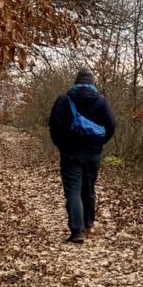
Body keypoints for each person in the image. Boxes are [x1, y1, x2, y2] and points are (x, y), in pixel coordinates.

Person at [48, 68, 116, 243]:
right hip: (93, 153)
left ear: (76, 82)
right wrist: (100, 142)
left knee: (73, 190)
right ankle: (88, 224)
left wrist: (61, 145)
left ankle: (77, 232)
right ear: (92, 83)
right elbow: (111, 125)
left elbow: (55, 126)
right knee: (89, 188)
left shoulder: (64, 99)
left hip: (70, 152)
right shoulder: (101, 101)